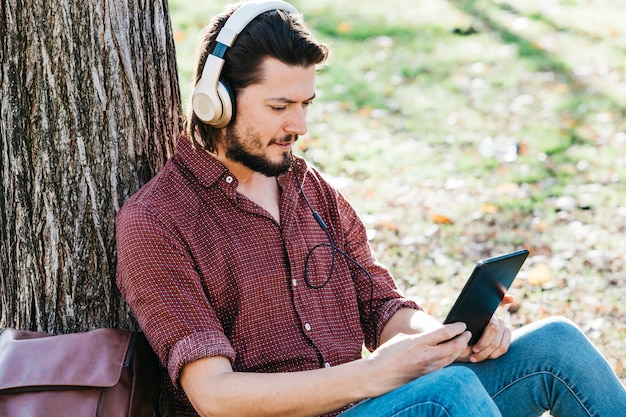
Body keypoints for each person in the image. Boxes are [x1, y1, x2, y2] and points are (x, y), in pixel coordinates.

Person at [115, 1, 626, 416]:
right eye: (279, 107)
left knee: (557, 345)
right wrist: (379, 372)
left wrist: (443, 339)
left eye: (306, 104)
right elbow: (214, 395)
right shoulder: (158, 221)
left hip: (372, 405)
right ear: (216, 100)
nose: (299, 126)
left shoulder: (310, 189)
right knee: (448, 396)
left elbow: (383, 307)